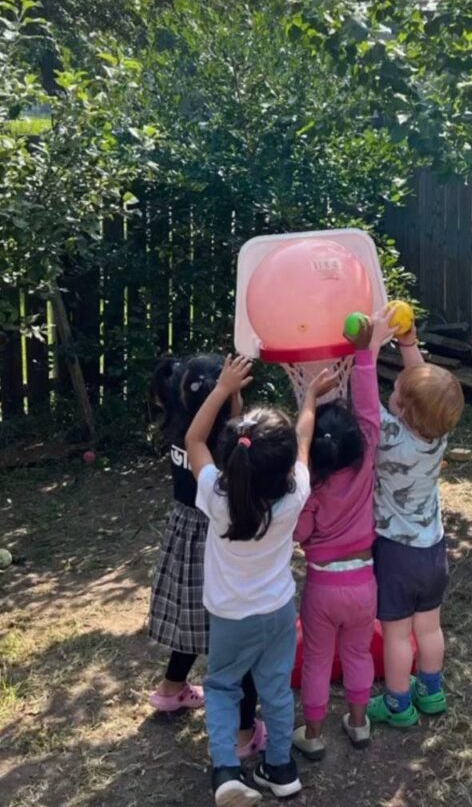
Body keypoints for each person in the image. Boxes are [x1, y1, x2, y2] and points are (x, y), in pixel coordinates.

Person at [185, 354, 336, 806]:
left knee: (222, 687)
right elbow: (304, 435)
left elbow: (194, 438)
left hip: (231, 617)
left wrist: (222, 388)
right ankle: (282, 769)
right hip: (277, 612)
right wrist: (309, 396)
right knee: (274, 687)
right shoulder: (296, 492)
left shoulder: (216, 494)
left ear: (232, 460)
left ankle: (227, 772)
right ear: (287, 463)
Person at [147, 354, 264, 761]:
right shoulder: (223, 448)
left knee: (189, 622)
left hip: (183, 534)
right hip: (213, 542)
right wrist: (229, 392)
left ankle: (170, 690)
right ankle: (243, 731)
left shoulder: (181, 430)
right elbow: (238, 430)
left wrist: (223, 392)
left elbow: (218, 422)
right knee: (230, 638)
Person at [291, 310, 395, 760]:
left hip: (322, 584)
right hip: (363, 583)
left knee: (316, 658)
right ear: (358, 441)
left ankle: (312, 734)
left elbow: (299, 532)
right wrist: (364, 355)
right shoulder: (367, 456)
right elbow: (370, 411)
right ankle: (358, 723)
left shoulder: (310, 487)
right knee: (357, 654)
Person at [367, 321, 465, 728]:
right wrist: (408, 342)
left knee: (396, 635)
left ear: (403, 410)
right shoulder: (436, 436)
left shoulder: (389, 437)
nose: (392, 392)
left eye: (398, 393)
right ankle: (431, 689)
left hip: (396, 553)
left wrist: (368, 350)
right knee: (429, 628)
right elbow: (423, 388)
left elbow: (363, 399)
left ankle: (397, 702)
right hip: (434, 551)